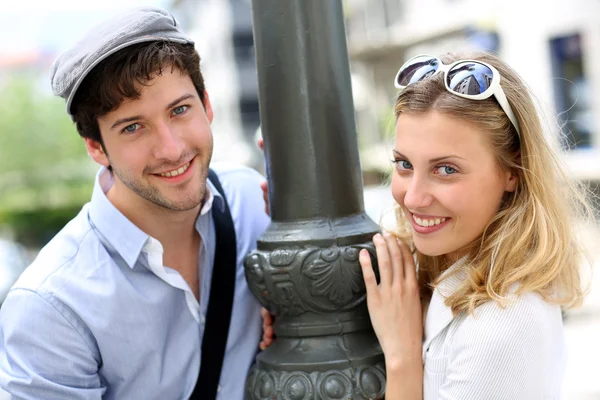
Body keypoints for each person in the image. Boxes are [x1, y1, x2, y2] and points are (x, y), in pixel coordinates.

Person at [262, 52, 594, 399]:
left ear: (513, 171)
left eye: (446, 169)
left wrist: (403, 357)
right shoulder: (440, 268)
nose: (413, 198)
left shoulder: (499, 329)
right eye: (404, 164)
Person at [0, 6, 269, 400]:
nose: (172, 148)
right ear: (96, 148)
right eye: (133, 127)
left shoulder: (252, 202)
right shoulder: (53, 307)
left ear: (207, 105)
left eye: (180, 110)